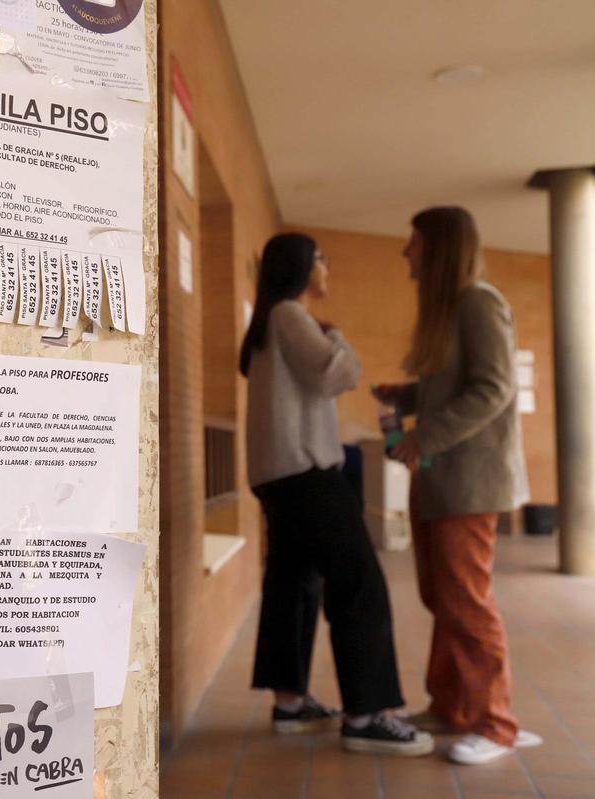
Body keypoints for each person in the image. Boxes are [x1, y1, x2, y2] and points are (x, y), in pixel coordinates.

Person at [241, 233, 432, 757]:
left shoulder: (269, 320)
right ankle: (367, 715)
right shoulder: (290, 314)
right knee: (360, 580)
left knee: (292, 583)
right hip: (305, 472)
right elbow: (335, 372)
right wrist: (340, 336)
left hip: (277, 475)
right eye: (322, 258)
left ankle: (289, 703)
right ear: (302, 265)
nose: (327, 267)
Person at [375, 206, 537, 765]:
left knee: (467, 603)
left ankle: (496, 724)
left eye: (414, 243)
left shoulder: (479, 303)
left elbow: (494, 388)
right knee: (442, 597)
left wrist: (425, 434)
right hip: (441, 482)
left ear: (441, 249)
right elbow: (457, 385)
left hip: (469, 484)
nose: (406, 253)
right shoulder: (451, 310)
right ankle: (452, 707)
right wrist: (407, 396)